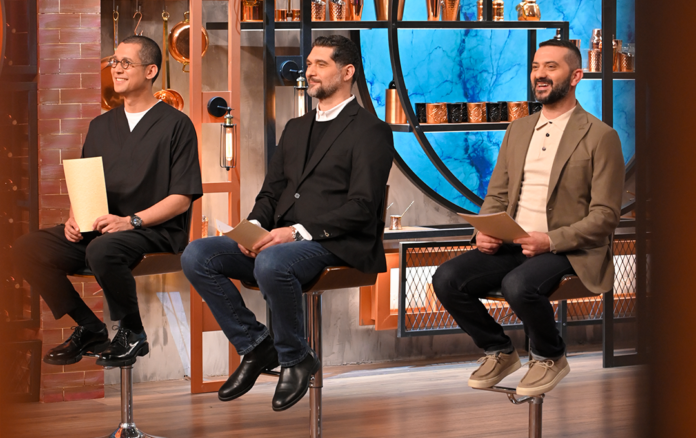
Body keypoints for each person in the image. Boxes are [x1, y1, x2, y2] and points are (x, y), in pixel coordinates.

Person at [181, 35, 394, 411]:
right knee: (198, 254)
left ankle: (296, 358)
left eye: (321, 64)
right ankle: (255, 345)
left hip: (337, 242)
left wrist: (296, 232)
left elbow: (362, 208)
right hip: (281, 242)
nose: (310, 71)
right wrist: (252, 229)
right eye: (309, 63)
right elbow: (271, 193)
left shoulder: (371, 130)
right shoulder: (296, 127)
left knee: (272, 261)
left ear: (347, 72)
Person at [432, 39, 625, 396]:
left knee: (518, 285)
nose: (540, 74)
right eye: (536, 67)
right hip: (514, 245)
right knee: (446, 278)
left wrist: (550, 240)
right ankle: (499, 350)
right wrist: (485, 231)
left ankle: (550, 356)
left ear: (576, 76)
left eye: (551, 67)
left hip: (568, 249)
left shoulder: (602, 137)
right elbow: (497, 196)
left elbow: (605, 216)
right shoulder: (518, 130)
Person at [14, 35, 202, 368]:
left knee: (102, 249)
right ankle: (90, 327)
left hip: (153, 230)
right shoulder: (100, 126)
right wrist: (75, 218)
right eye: (115, 61)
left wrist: (130, 221)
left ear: (150, 71)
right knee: (27, 248)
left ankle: (132, 332)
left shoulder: (176, 125)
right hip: (102, 230)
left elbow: (181, 199)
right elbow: (85, 184)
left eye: (126, 63)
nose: (116, 69)